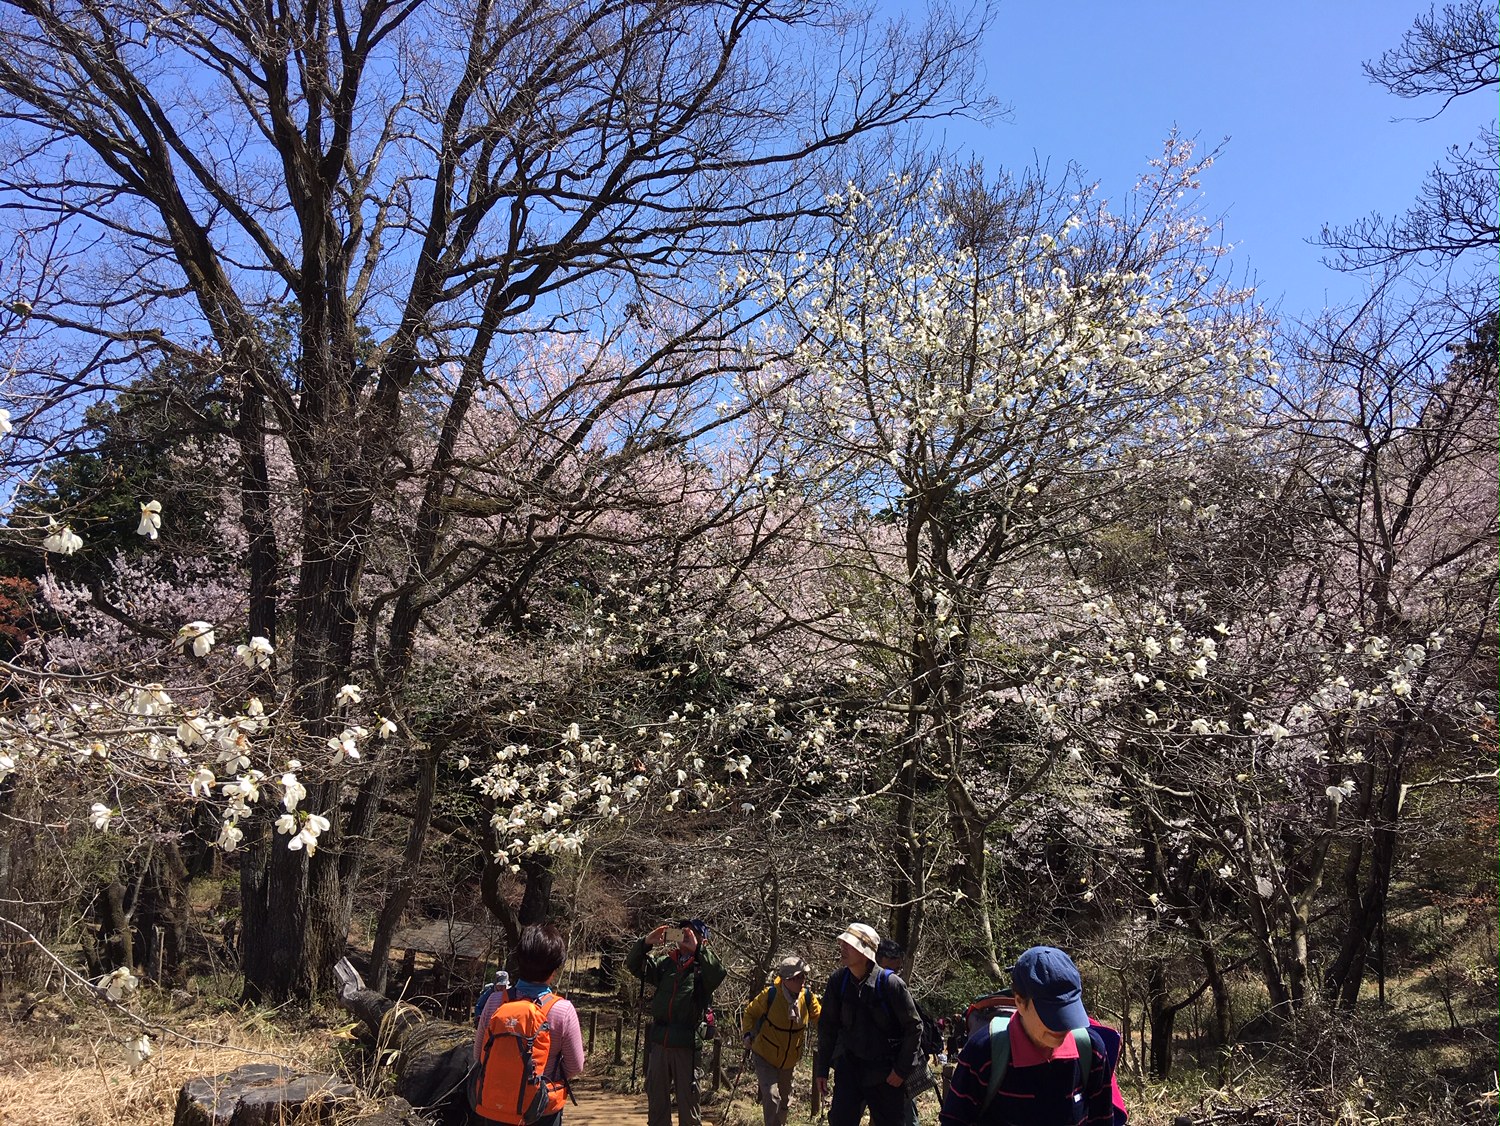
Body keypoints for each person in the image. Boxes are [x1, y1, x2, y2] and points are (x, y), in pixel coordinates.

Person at [938, 946, 1127, 1126]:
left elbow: (1101, 1119)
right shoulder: (984, 1053)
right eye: (1052, 1014)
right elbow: (955, 1120)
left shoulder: (1091, 1050)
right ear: (1020, 1002)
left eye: (1068, 1012)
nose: (1063, 1026)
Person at [472, 923, 586, 1126]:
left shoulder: (495, 1002)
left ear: (519, 960)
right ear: (554, 969)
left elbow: (478, 1054)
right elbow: (575, 1066)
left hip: (497, 1106)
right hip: (540, 1109)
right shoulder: (563, 1011)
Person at [814, 922, 923, 1126]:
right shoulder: (838, 982)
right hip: (849, 1070)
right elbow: (827, 1027)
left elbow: (914, 1028)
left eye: (850, 944)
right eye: (843, 943)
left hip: (886, 1074)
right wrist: (822, 1069)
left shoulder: (891, 984)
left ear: (865, 953)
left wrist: (901, 1070)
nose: (843, 948)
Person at [627, 917, 727, 1126]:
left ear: (703, 940)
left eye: (692, 934)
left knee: (688, 1106)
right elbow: (634, 965)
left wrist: (699, 950)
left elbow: (718, 974)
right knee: (657, 1104)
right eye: (682, 933)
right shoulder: (665, 965)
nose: (686, 937)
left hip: (687, 1044)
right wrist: (645, 942)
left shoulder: (702, 970)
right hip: (660, 1042)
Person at [741, 954, 822, 1126]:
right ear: (786, 979)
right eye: (798, 977)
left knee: (785, 1100)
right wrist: (747, 1034)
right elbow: (750, 1013)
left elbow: (821, 1019)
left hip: (789, 1059)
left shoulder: (807, 998)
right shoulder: (770, 995)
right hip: (765, 1054)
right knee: (771, 1097)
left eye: (803, 977)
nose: (802, 981)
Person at [877, 938, 931, 1126]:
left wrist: (901, 1069)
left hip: (898, 1066)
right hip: (870, 1068)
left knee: (906, 1115)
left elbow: (915, 1028)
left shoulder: (895, 986)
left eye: (898, 970)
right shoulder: (859, 985)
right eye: (892, 968)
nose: (894, 974)